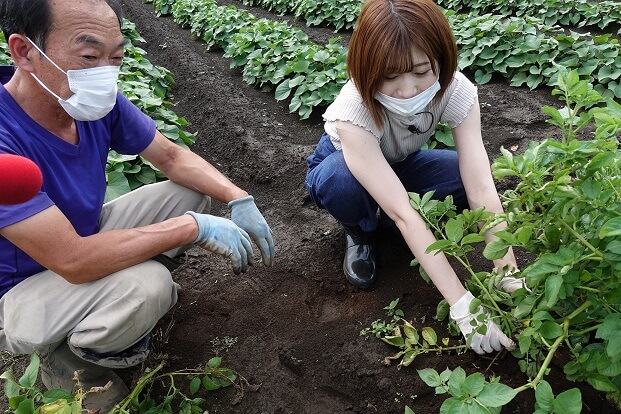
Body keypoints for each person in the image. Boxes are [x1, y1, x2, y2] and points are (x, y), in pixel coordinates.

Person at [0, 0, 274, 411]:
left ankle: (116, 309)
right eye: (90, 56)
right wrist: (190, 228)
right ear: (24, 52)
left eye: (116, 57)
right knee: (149, 286)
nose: (105, 73)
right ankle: (73, 362)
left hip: (82, 237)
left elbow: (172, 158)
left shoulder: (90, 103)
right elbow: (72, 260)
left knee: (190, 193)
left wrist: (238, 197)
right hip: (19, 291)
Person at [306, 0, 525, 354]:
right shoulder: (352, 110)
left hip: (400, 161)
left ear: (441, 59)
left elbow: (481, 185)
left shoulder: (456, 91)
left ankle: (394, 225)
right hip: (340, 162)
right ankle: (361, 233)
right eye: (390, 76)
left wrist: (508, 273)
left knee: (463, 174)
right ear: (367, 68)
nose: (407, 90)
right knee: (342, 183)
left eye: (422, 71)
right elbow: (404, 212)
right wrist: (462, 304)